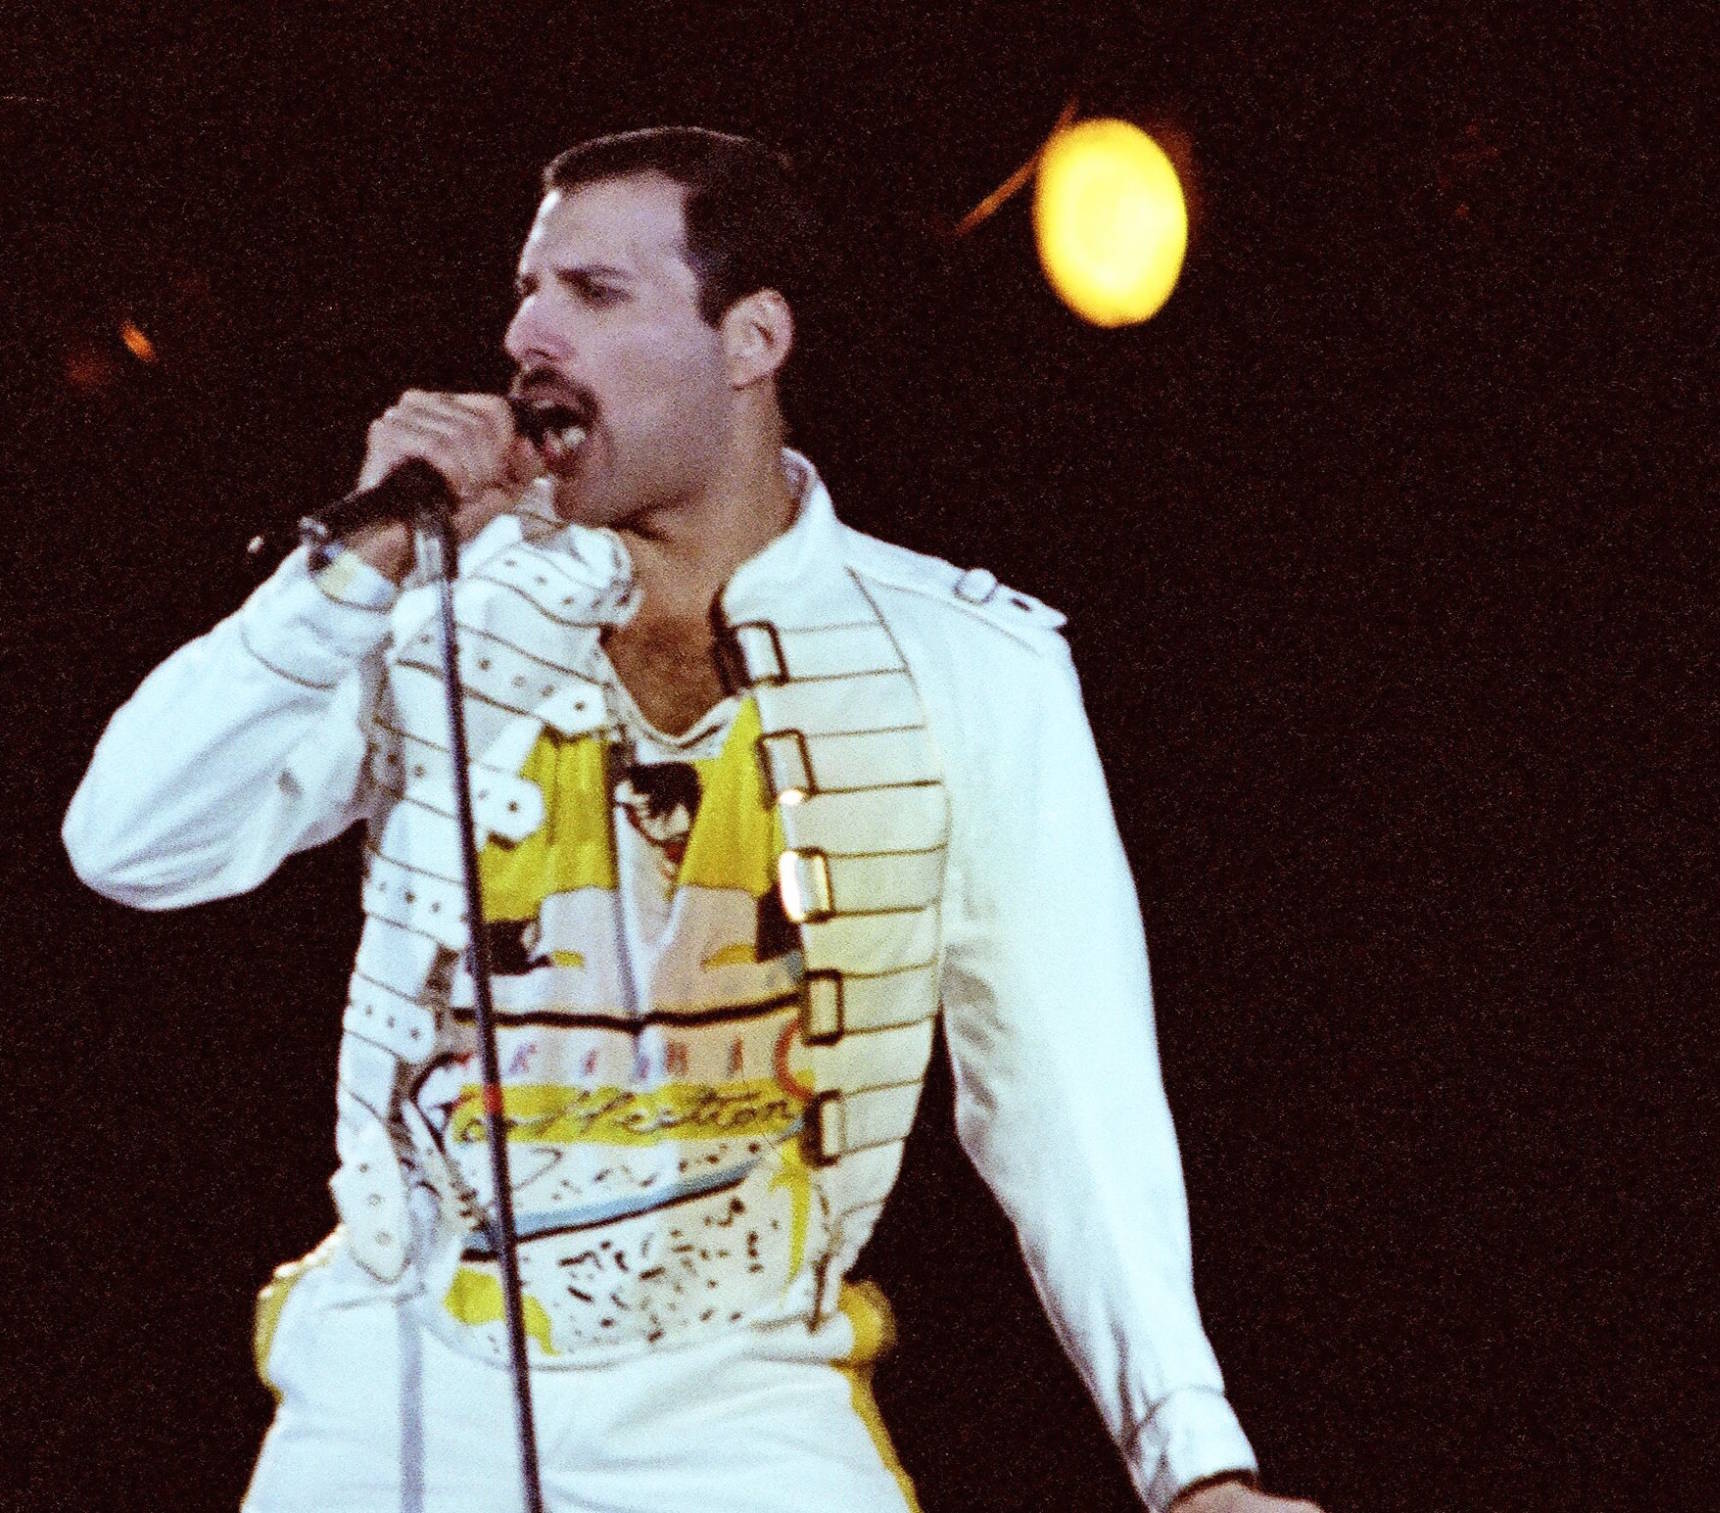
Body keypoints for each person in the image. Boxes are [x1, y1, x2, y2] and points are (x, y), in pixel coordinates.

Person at [64, 127, 1320, 1513]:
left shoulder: (969, 664)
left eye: (595, 294)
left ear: (752, 337)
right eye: (528, 289)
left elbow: (1068, 1096)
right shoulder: (428, 606)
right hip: (411, 1390)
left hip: (744, 1408)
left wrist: (1195, 1463)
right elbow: (129, 839)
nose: (527, 331)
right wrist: (354, 557)